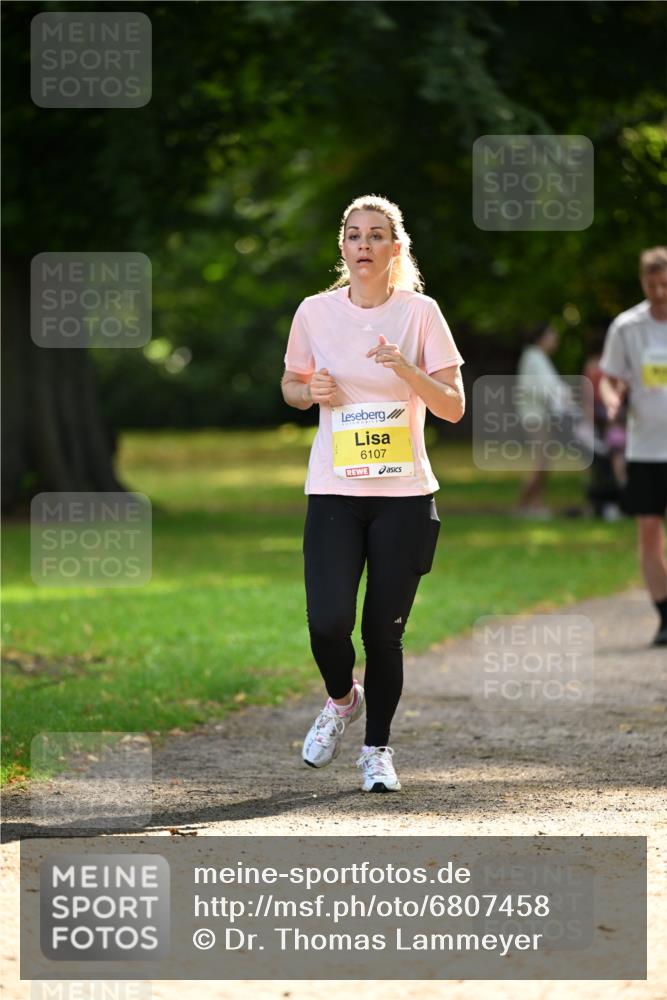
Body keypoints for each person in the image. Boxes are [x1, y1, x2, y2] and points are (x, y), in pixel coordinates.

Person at [281, 194, 465, 792]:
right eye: (355, 235)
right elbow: (289, 384)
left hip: (405, 495)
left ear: (395, 248)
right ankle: (341, 700)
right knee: (327, 623)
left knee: (383, 633)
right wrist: (311, 390)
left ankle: (377, 751)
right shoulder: (313, 311)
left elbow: (454, 407)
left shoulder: (421, 313)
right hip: (334, 489)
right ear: (343, 247)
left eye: (377, 235)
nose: (364, 245)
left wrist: (406, 368)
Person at [599, 246, 667, 647]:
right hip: (646, 449)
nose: (660, 291)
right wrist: (611, 396)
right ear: (643, 282)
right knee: (648, 533)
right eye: (652, 284)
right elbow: (611, 376)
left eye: (665, 284)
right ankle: (664, 613)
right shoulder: (628, 327)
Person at [515, 324, 578, 518]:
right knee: (542, 461)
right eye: (552, 335)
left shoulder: (537, 357)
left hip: (540, 415)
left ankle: (531, 504)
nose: (555, 340)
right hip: (535, 416)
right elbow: (546, 387)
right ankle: (527, 505)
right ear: (542, 337)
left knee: (544, 461)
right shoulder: (534, 357)